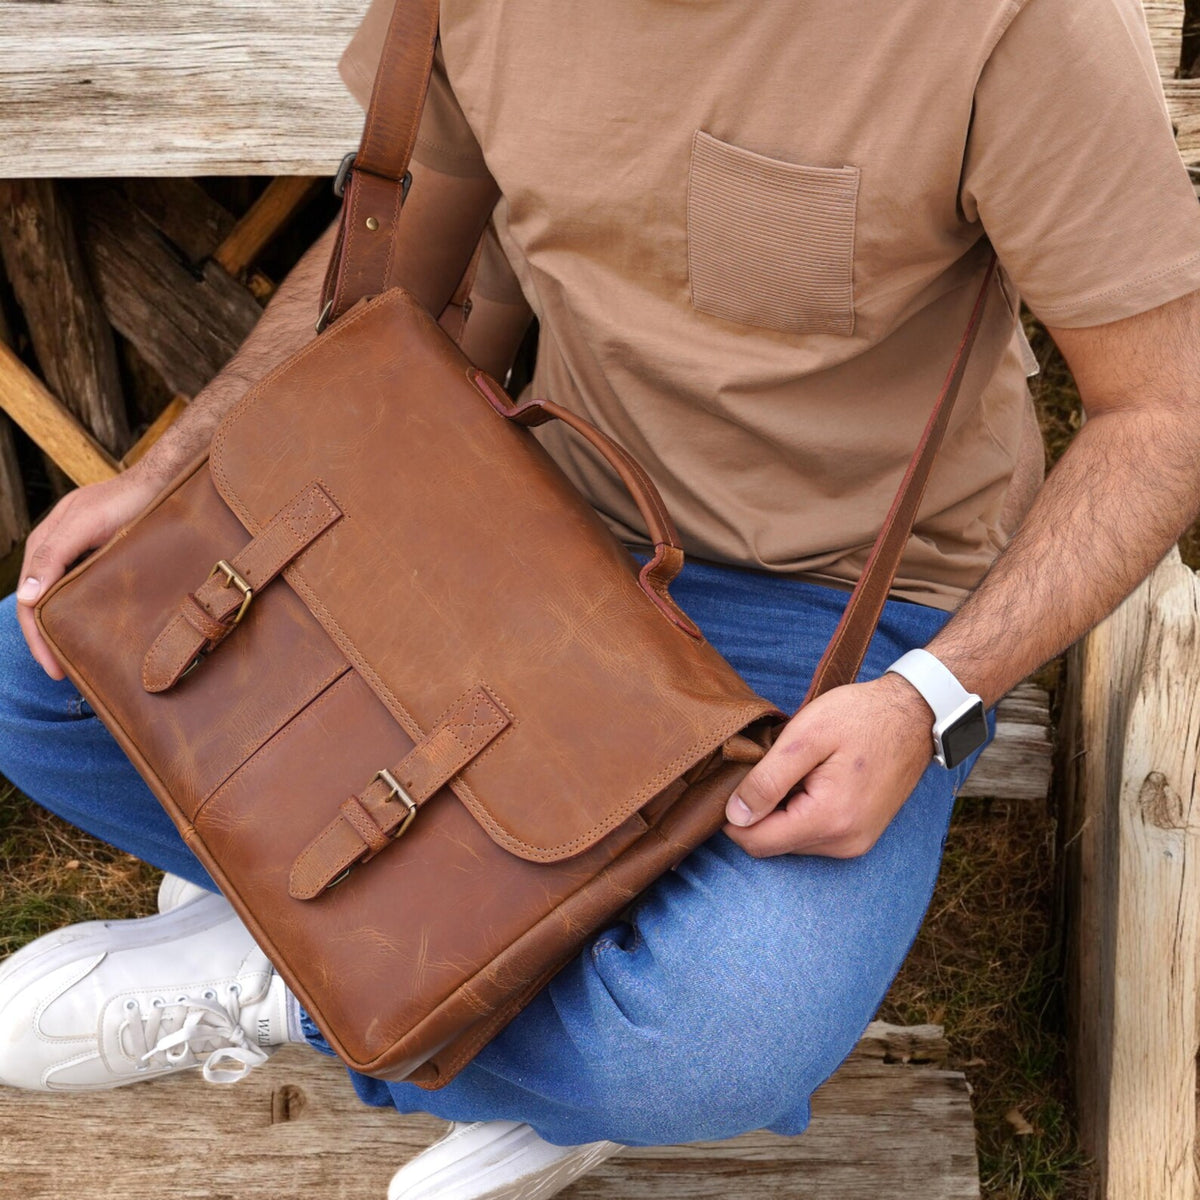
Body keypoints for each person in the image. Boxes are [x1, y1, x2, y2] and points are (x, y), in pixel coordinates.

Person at [3, 0, 1200, 1197]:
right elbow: (402, 252)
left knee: (716, 1035)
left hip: (837, 610)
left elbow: (1165, 414)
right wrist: (176, 474)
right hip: (524, 518)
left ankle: (301, 976)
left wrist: (928, 698)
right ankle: (415, 963)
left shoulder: (1014, 20)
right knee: (40, 668)